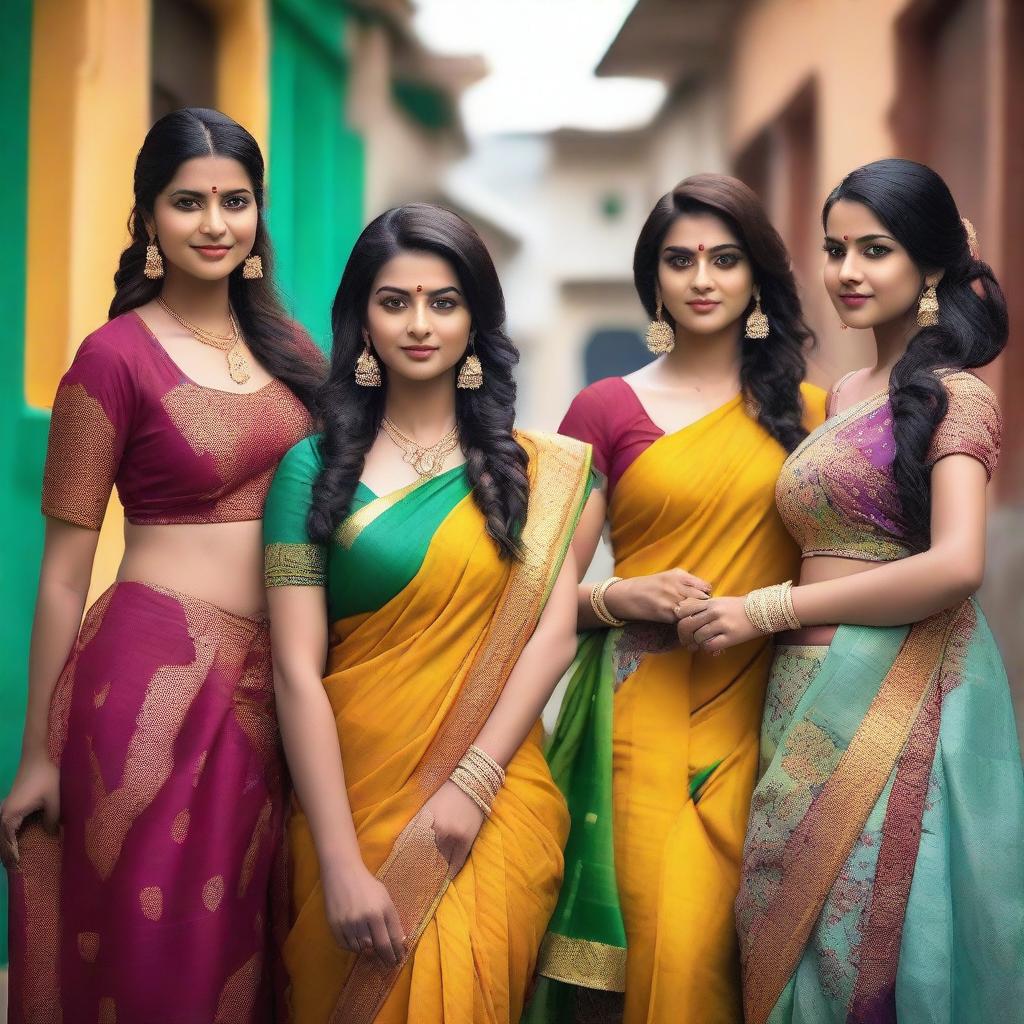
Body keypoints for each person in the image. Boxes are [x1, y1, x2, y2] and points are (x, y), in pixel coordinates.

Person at [678, 158, 1024, 1023]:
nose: (848, 272)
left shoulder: (957, 397)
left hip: (900, 701)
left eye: (877, 250)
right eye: (835, 249)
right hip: (800, 695)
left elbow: (956, 564)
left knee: (871, 932)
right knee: (783, 931)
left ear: (932, 268)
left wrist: (773, 609)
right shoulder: (843, 395)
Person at [1, 107, 323, 1023]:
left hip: (283, 695)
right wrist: (35, 753)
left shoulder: (294, 356)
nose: (215, 223)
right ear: (147, 217)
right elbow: (64, 572)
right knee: (157, 962)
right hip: (151, 694)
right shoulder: (110, 361)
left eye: (235, 201)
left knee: (256, 955)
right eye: (188, 203)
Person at [263, 203, 595, 1023]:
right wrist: (340, 861)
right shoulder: (310, 470)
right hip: (352, 799)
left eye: (443, 302)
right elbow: (295, 669)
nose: (419, 324)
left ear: (476, 319)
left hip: (493, 800)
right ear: (362, 320)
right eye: (394, 301)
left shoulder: (533, 473)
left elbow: (552, 636)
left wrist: (473, 785)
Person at [532, 174, 825, 1024]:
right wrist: (625, 594)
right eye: (680, 259)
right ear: (652, 280)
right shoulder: (607, 408)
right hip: (643, 717)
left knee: (758, 963)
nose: (702, 278)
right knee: (675, 944)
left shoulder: (809, 416)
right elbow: (545, 590)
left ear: (756, 278)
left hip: (775, 719)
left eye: (725, 259)